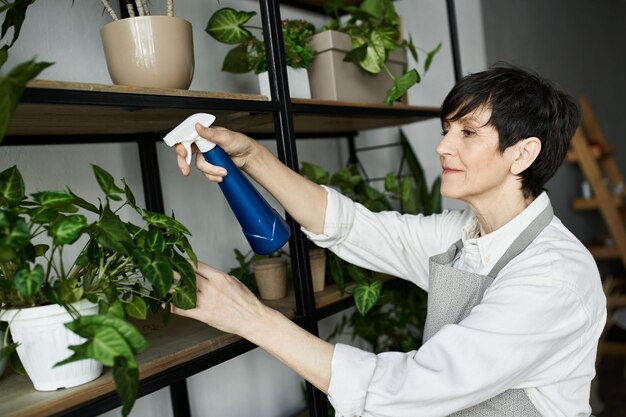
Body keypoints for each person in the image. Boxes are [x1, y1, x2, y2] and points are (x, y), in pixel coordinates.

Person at [169, 65, 606, 417]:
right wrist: (253, 158)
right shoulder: (462, 234)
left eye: (467, 132)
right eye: (446, 129)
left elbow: (414, 389)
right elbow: (355, 228)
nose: (442, 147)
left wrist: (249, 317)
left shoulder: (552, 278)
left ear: (523, 154)